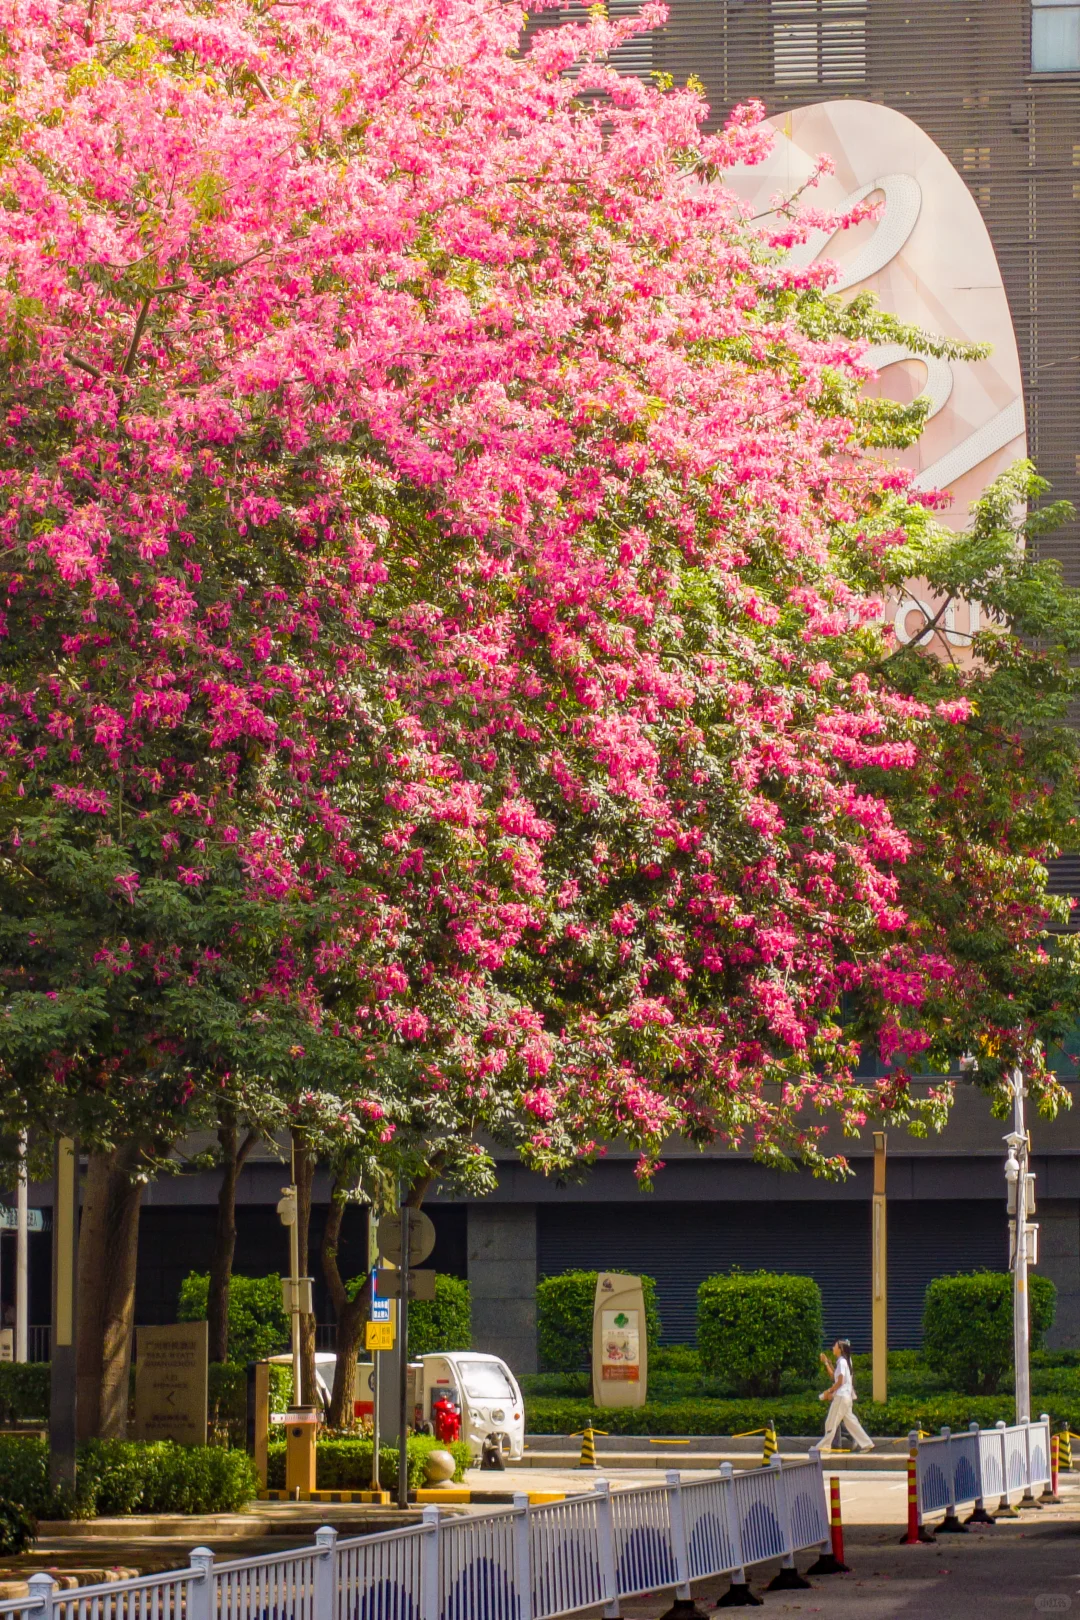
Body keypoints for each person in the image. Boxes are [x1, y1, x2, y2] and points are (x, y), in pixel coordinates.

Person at [819, 1339, 874, 1453]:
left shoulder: (842, 1362)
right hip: (846, 1397)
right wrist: (827, 1363)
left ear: (840, 1349)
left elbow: (840, 1381)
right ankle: (867, 1443)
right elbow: (835, 1376)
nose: (833, 1348)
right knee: (851, 1423)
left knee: (831, 1421)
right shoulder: (846, 1361)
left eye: (835, 1346)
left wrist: (829, 1391)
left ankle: (824, 1446)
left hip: (841, 1397)